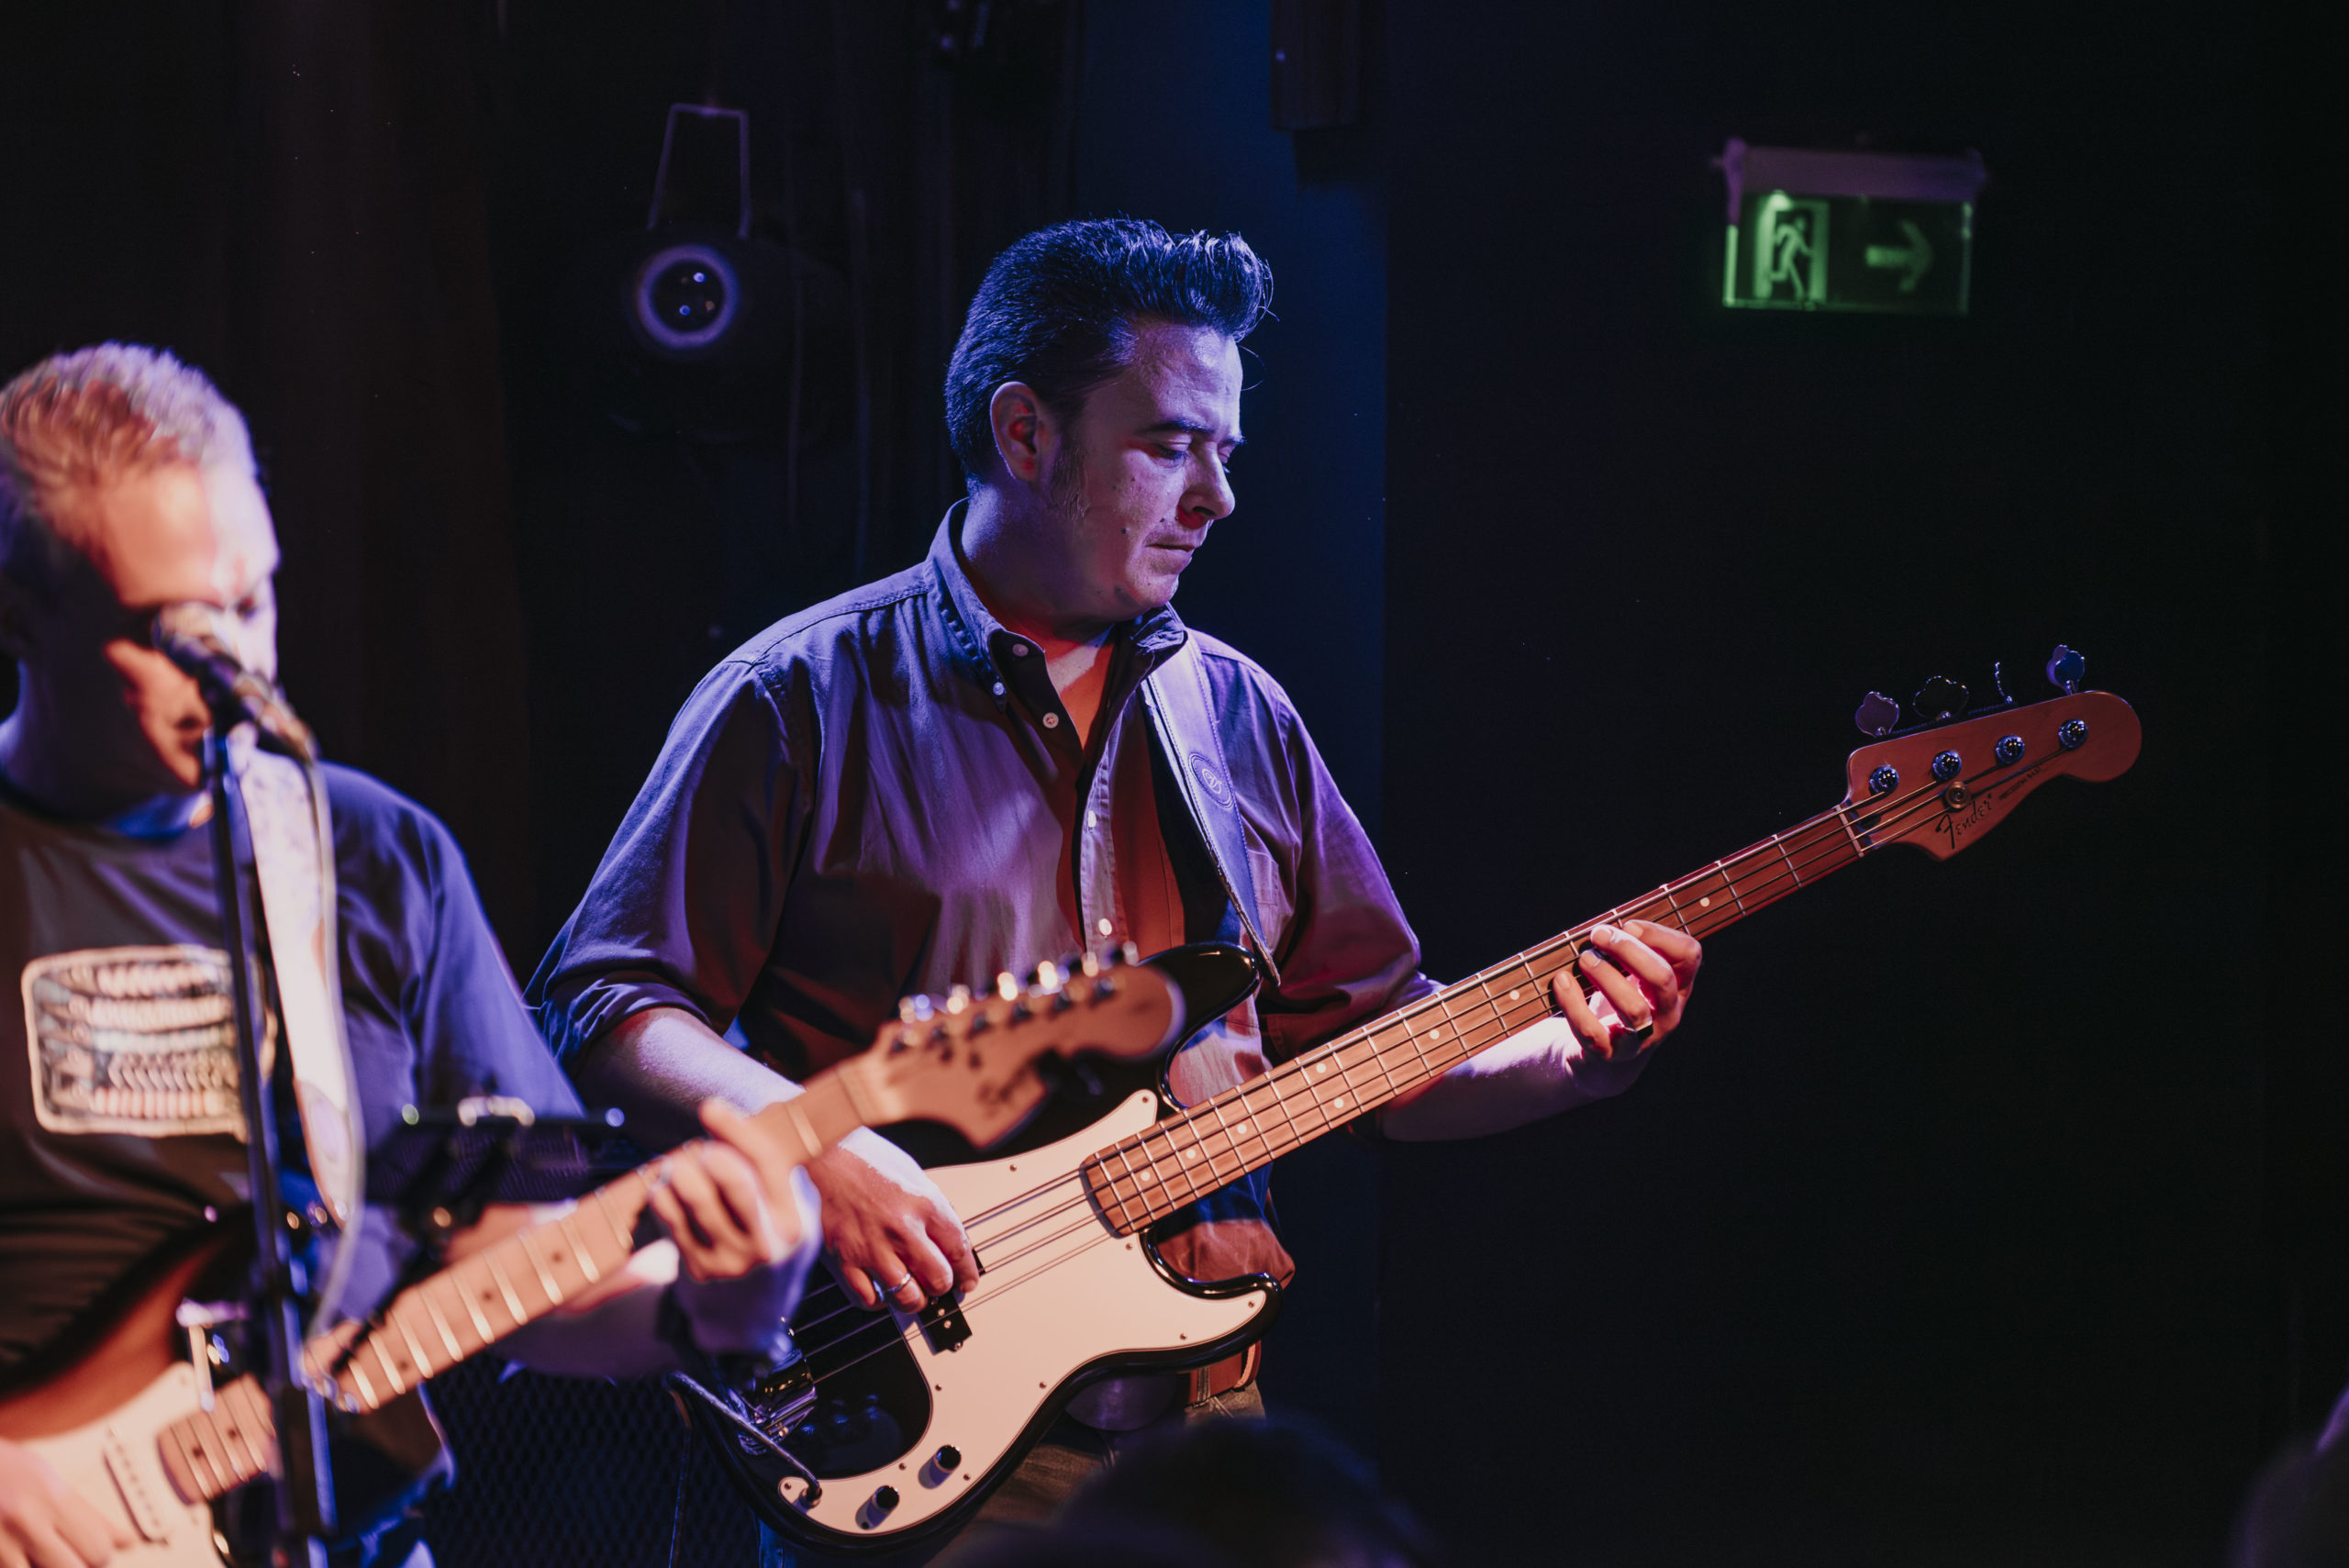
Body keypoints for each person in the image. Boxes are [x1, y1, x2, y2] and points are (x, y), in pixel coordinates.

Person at [530, 218, 1703, 1553]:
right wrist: (815, 1141)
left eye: (1227, 453)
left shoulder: (1241, 715)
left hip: (1208, 1430)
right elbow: (601, 998)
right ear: (1025, 434)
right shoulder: (799, 696)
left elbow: (1379, 1052)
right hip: (915, 1424)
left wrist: (1574, 1062)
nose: (1218, 499)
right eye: (1170, 446)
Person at [0, 345, 822, 1568]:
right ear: (22, 616)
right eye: (174, 631)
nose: (237, 670)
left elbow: (520, 1270)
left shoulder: (374, 859)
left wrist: (717, 1303)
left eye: (253, 603)